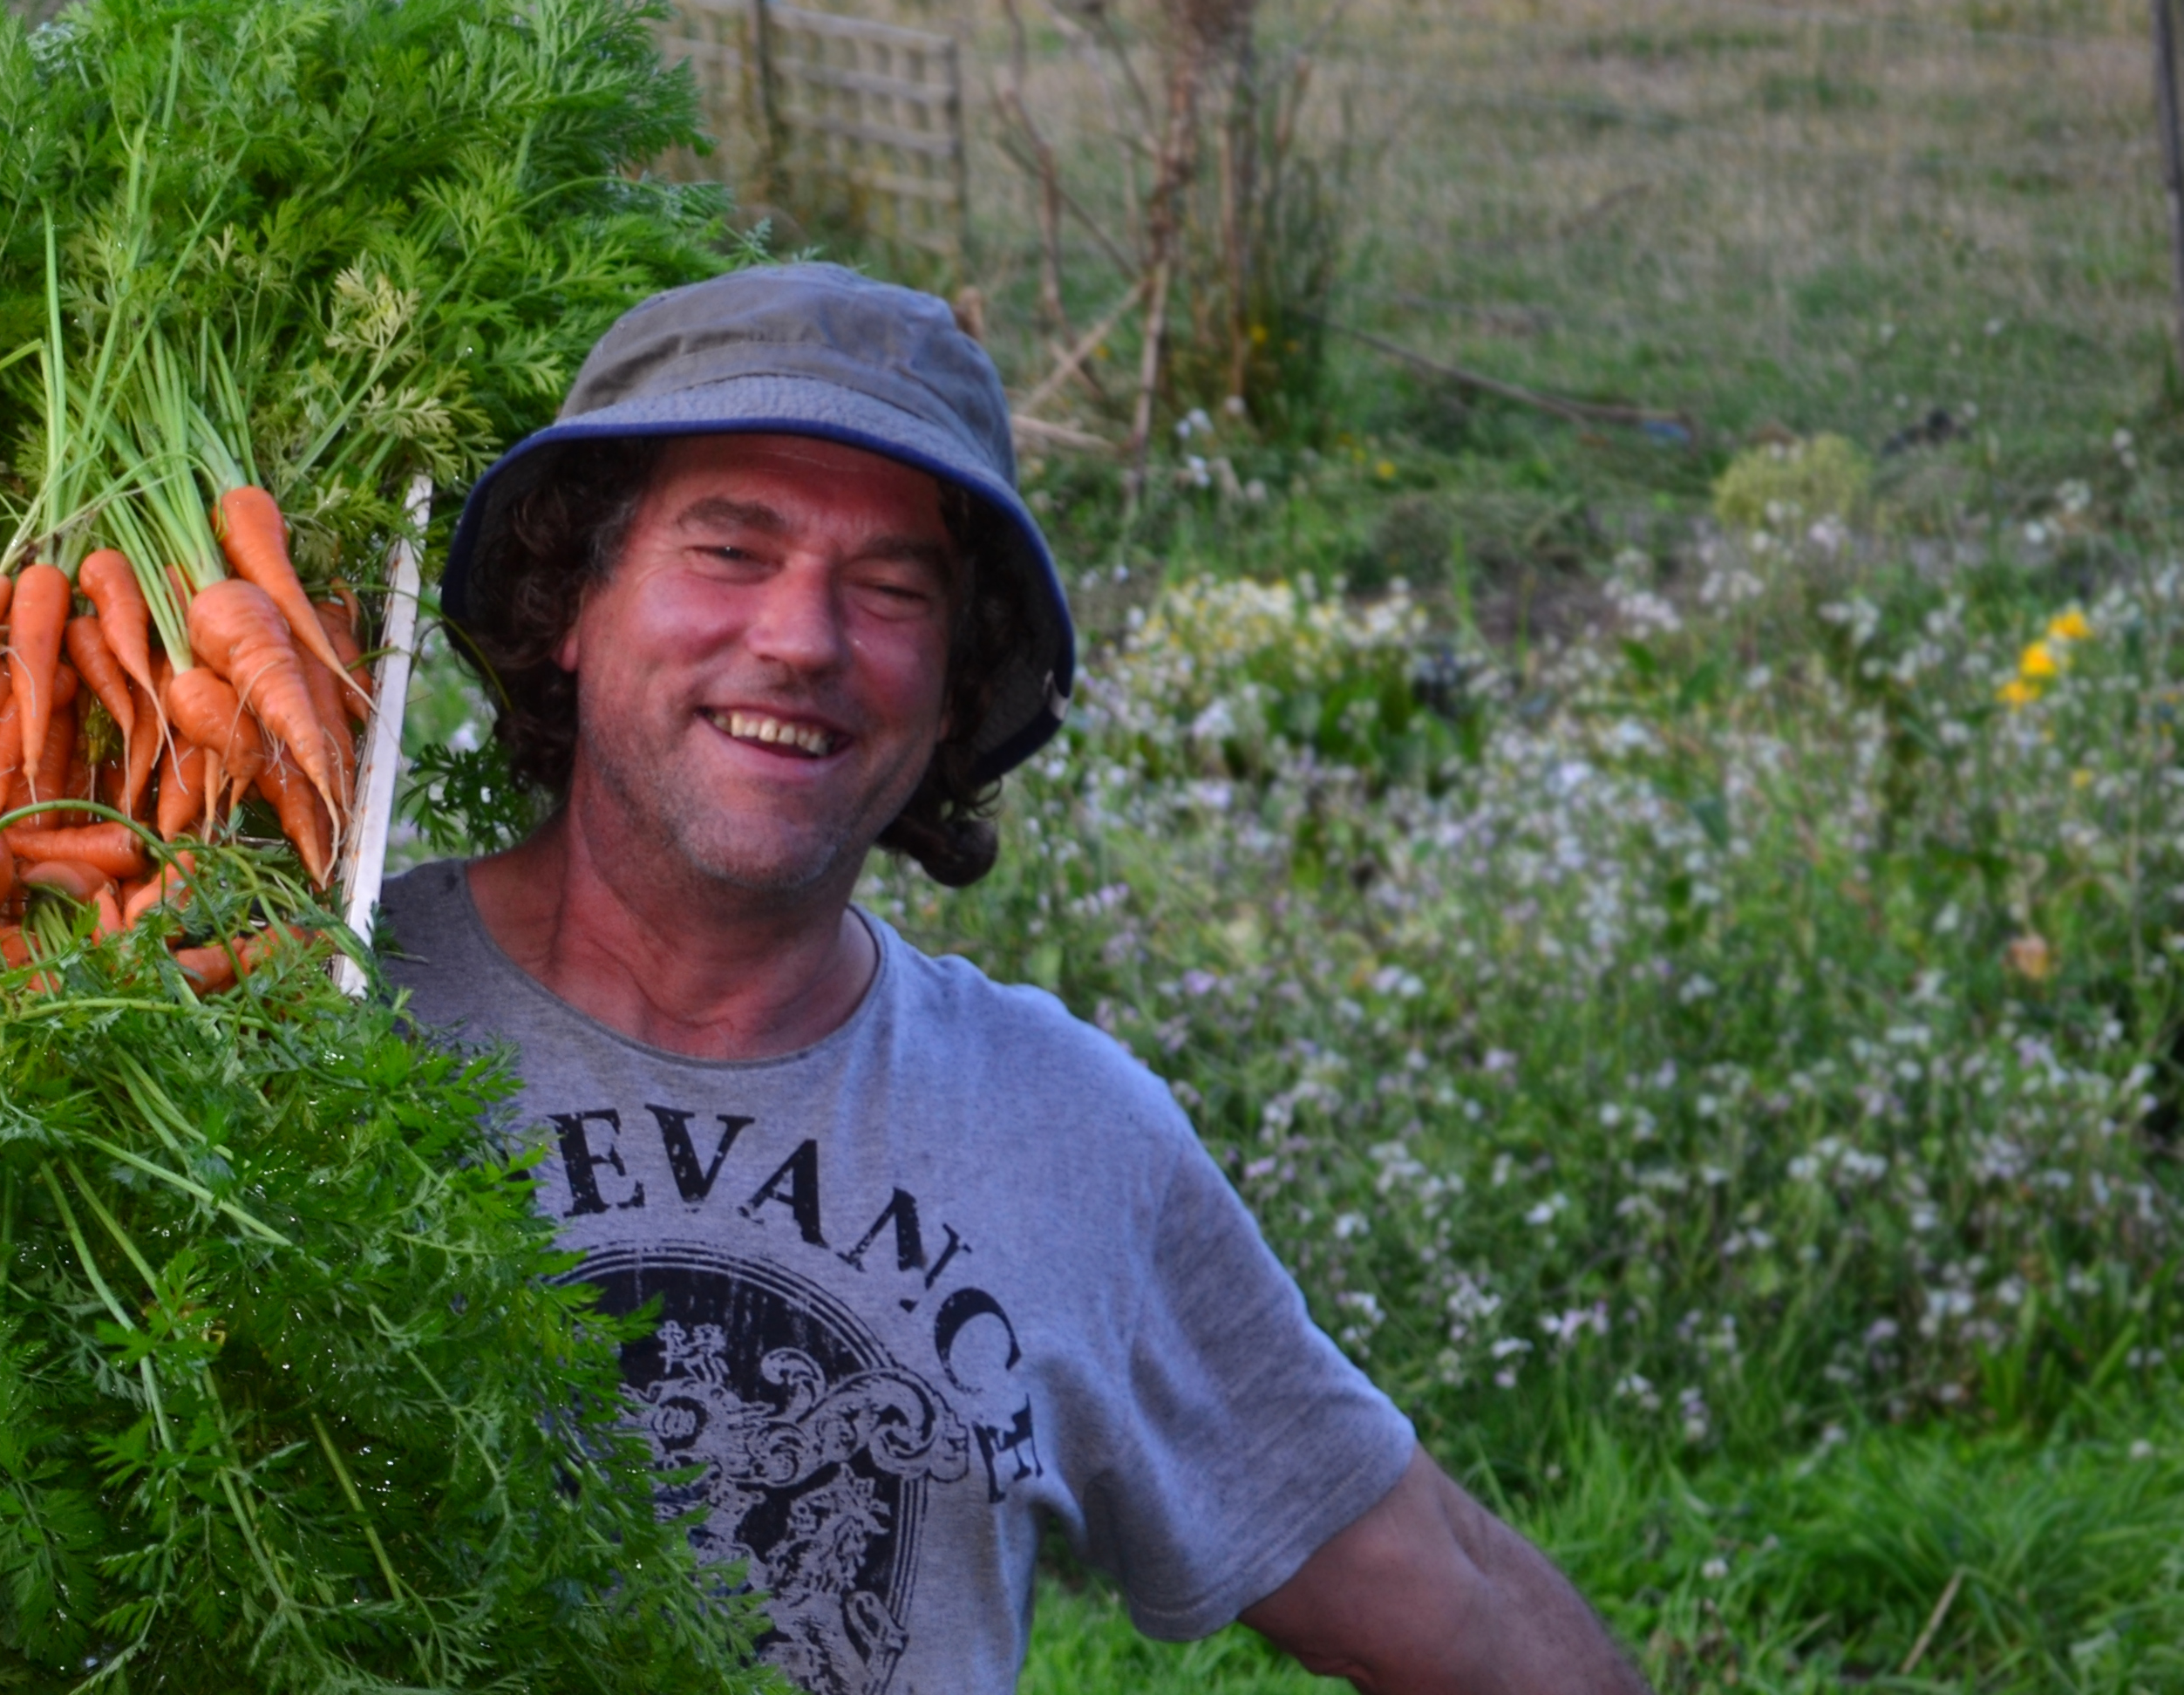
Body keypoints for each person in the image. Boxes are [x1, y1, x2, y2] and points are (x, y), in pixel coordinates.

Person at [378, 262, 1650, 1695]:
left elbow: (1450, 1595)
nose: (802, 639)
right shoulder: (312, 1022)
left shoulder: (1066, 1136)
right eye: (730, 552)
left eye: (892, 588)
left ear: (952, 686)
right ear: (572, 603)